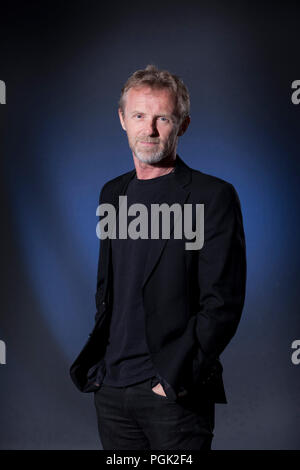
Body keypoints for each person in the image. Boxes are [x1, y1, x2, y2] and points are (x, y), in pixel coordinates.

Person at [70, 65, 247, 450]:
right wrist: (102, 372)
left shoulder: (212, 196)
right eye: (138, 116)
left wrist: (170, 379)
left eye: (162, 118)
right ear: (122, 119)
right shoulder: (111, 193)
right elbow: (110, 287)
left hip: (174, 394)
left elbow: (223, 304)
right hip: (112, 391)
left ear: (181, 125)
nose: (148, 130)